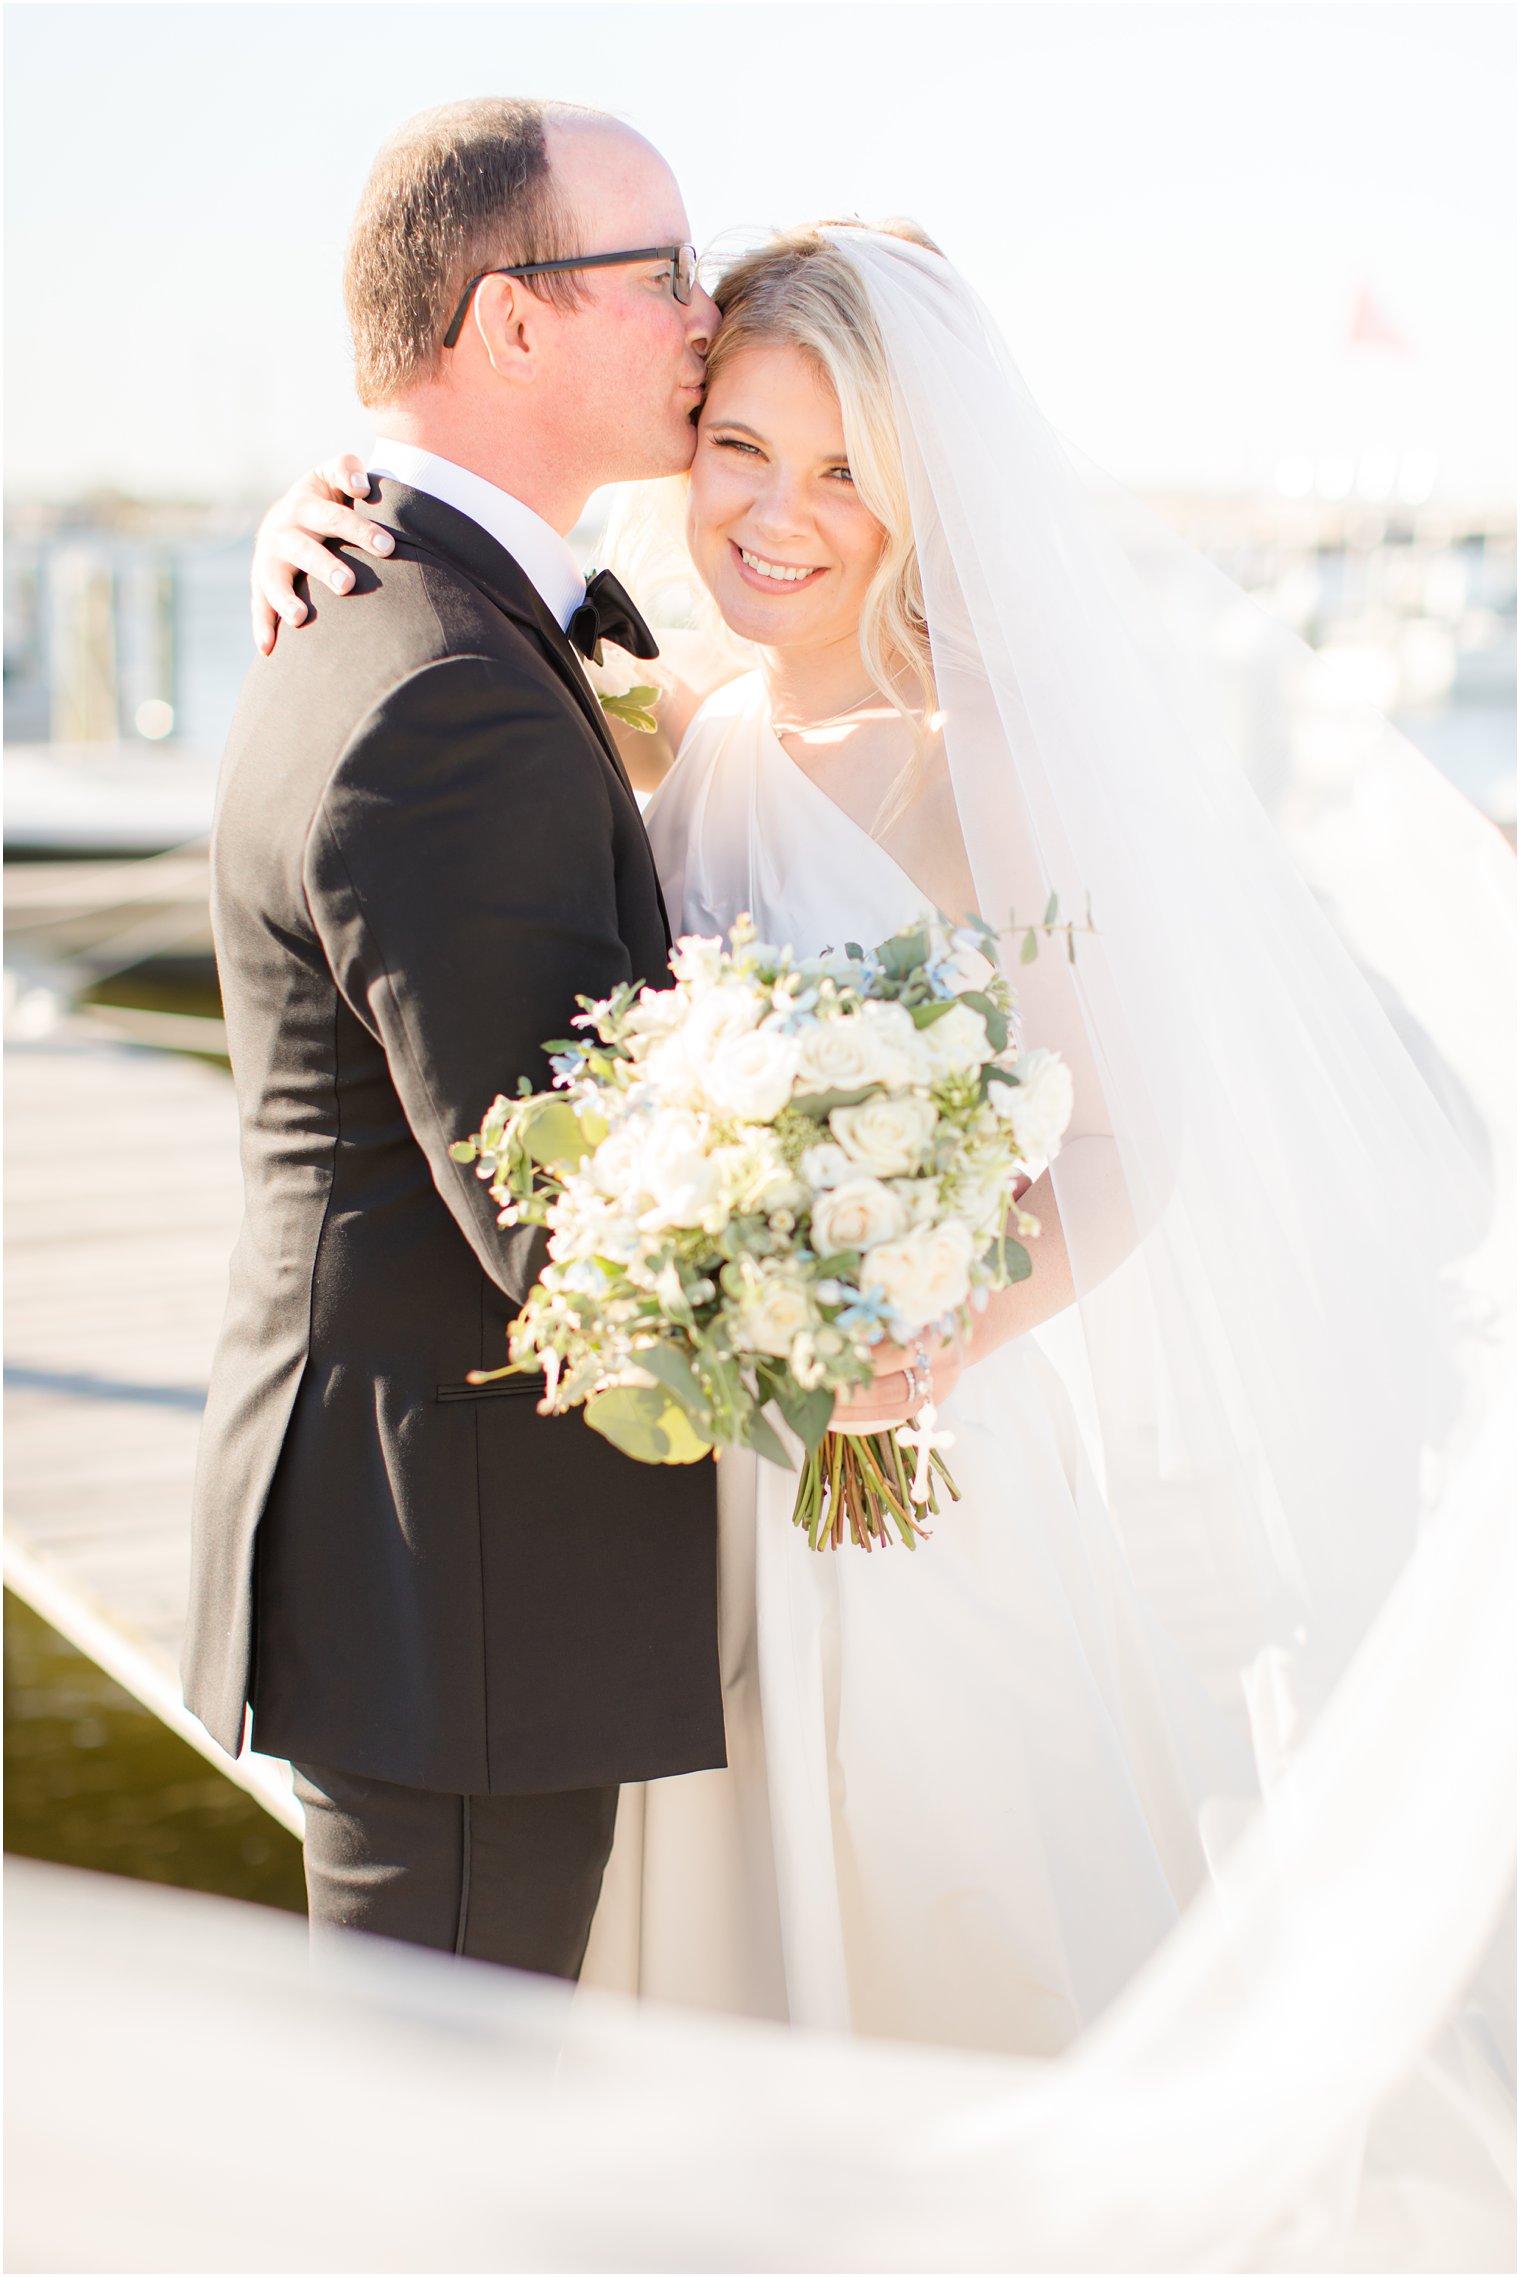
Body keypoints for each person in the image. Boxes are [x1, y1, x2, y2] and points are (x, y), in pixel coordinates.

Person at [250, 223, 1510, 2065]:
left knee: (950, 1950)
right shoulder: (681, 722)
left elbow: (1122, 1148)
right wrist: (318, 504)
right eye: (740, 449)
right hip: (689, 1507)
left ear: (925, 504)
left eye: (848, 473)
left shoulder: (982, 748)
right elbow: (462, 592)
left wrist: (927, 1342)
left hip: (917, 1478)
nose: (780, 512)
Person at [184, 96, 731, 1978]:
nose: (704, 315)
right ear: (507, 319)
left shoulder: (411, 616)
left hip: (427, 1567)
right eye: (660, 272)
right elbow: (569, 1229)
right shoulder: (435, 681)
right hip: (467, 1581)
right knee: (447, 2180)